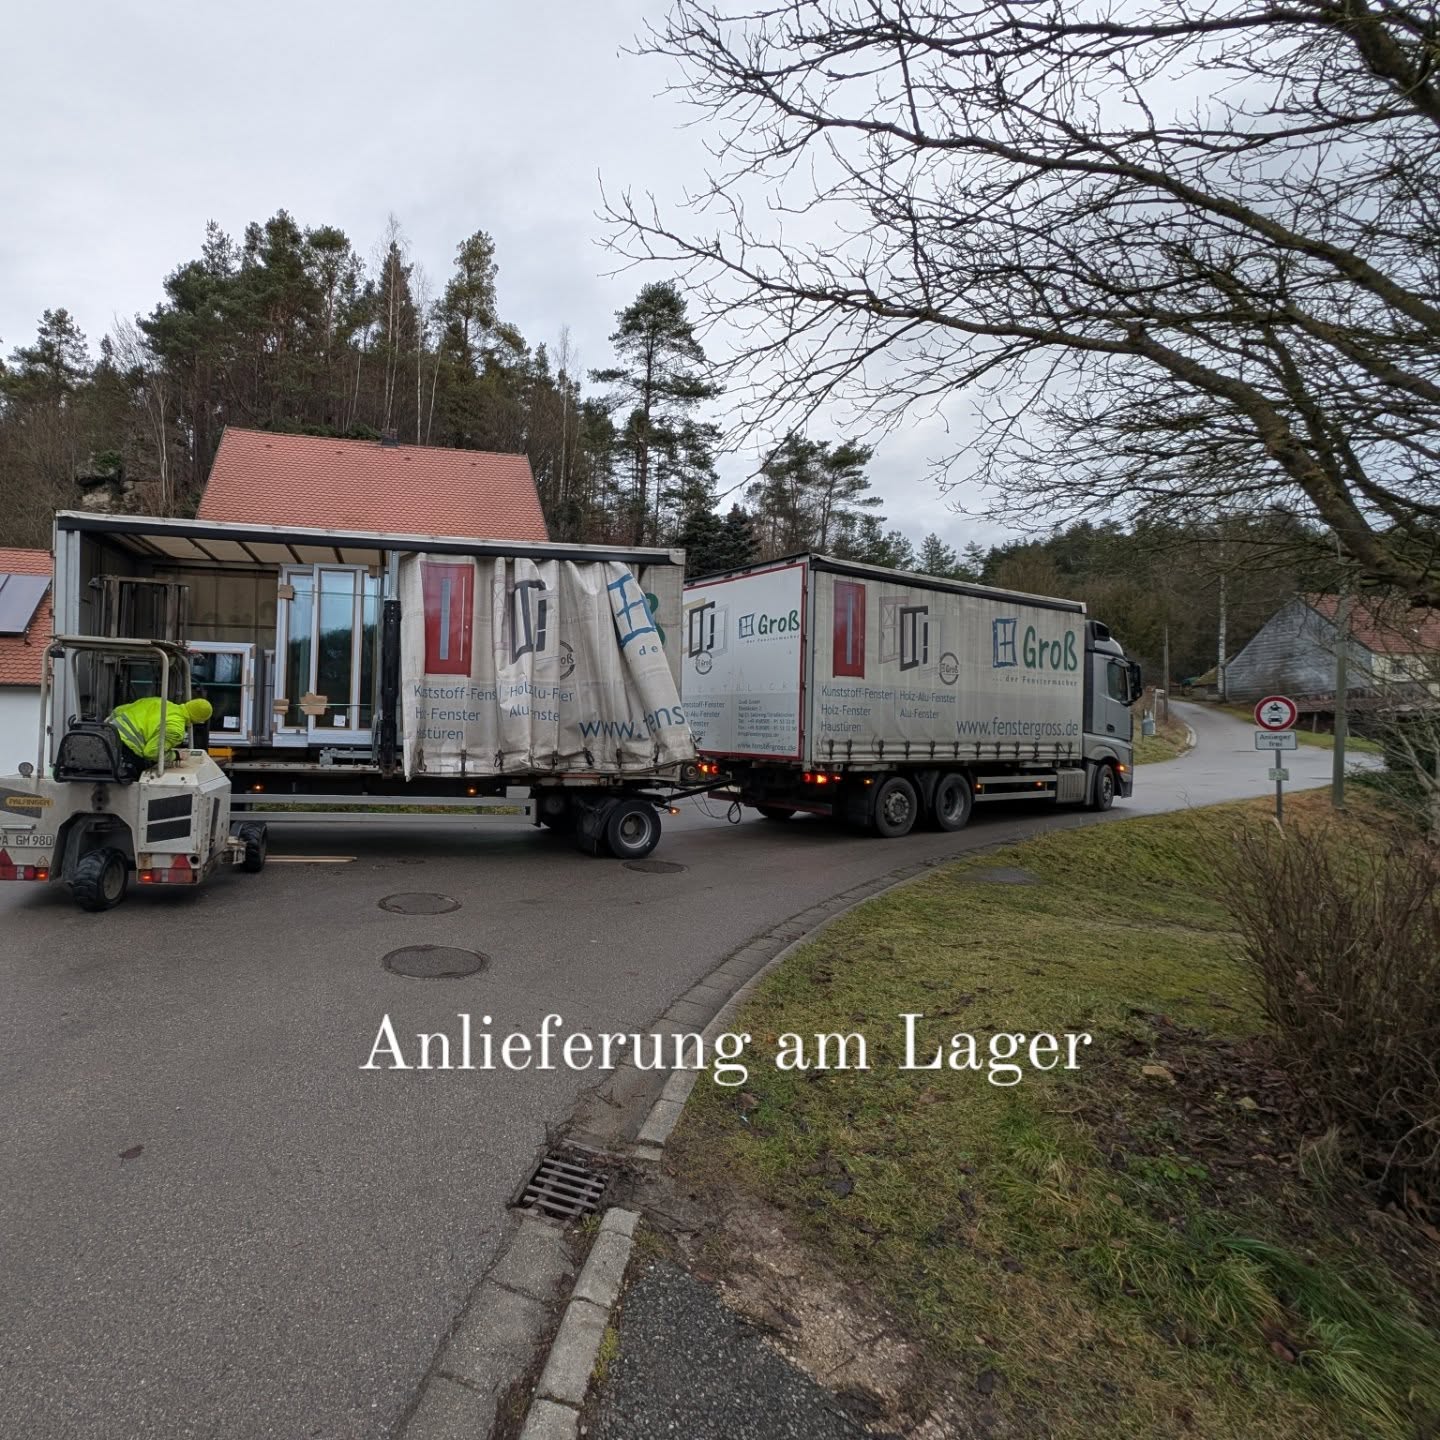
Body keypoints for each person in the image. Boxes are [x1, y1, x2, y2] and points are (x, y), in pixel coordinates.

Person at [108, 696, 213, 766]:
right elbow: (151, 753)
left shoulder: (159, 701)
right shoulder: (176, 729)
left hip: (104, 736)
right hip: (123, 751)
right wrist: (176, 755)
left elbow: (117, 711)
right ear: (198, 720)